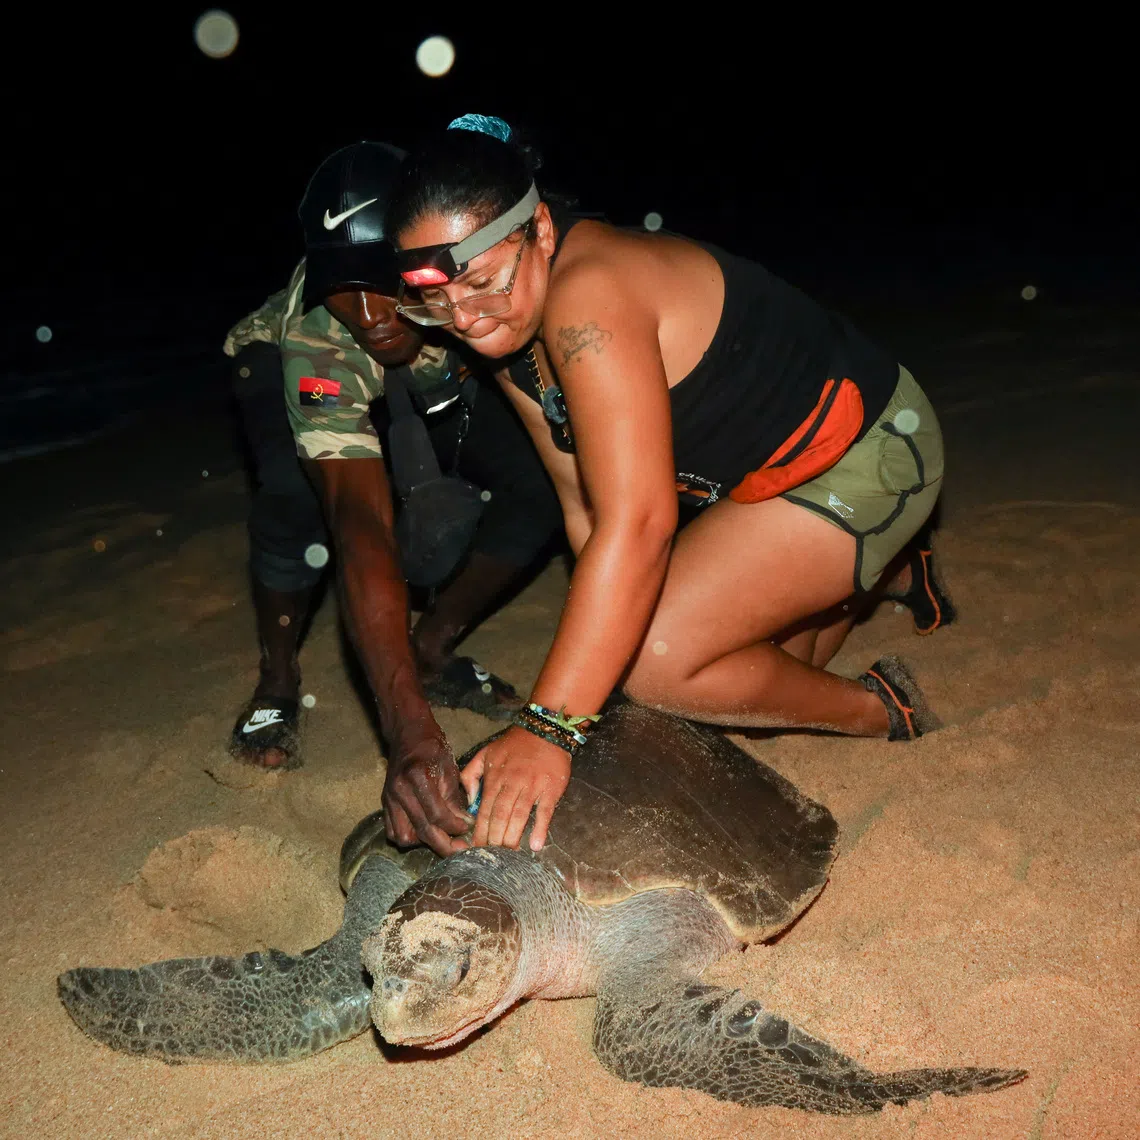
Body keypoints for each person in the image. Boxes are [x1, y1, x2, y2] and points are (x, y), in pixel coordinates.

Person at [386, 114, 956, 855]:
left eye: (484, 283)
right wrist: (590, 687)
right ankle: (877, 574)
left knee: (660, 659)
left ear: (544, 232)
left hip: (869, 452)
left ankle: (882, 708)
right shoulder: (506, 330)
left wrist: (551, 724)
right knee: (723, 684)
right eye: (434, 301)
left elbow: (641, 525)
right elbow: (585, 507)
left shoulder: (589, 297)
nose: (463, 318)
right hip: (753, 486)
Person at [223, 141, 562, 854]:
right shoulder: (326, 328)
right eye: (344, 286)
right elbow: (360, 521)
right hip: (288, 361)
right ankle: (277, 681)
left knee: (540, 480)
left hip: (440, 351)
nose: (372, 312)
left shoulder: (465, 288)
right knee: (298, 502)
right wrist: (406, 727)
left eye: (386, 284)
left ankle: (433, 647)